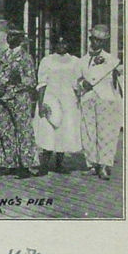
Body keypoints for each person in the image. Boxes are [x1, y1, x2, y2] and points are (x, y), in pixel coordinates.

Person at [0, 26, 40, 179]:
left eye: (15, 36)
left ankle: (27, 165)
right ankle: (7, 163)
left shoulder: (25, 57)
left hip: (19, 98)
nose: (11, 38)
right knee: (4, 130)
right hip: (2, 98)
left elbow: (31, 81)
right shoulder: (1, 56)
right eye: (9, 35)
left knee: (23, 131)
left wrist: (19, 81)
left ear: (21, 39)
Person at [76, 24, 123, 180]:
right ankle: (92, 164)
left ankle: (104, 165)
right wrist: (82, 85)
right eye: (94, 40)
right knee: (88, 132)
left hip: (106, 99)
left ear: (104, 43)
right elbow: (77, 81)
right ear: (90, 40)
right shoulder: (82, 61)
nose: (96, 43)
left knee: (106, 133)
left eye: (100, 41)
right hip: (88, 99)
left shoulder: (112, 60)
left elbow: (120, 81)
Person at [33, 35, 82, 174]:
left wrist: (78, 99)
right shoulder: (47, 61)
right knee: (48, 130)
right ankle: (44, 166)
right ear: (54, 45)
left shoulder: (75, 62)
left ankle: (59, 164)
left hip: (68, 100)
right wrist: (41, 103)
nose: (62, 46)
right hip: (50, 98)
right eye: (59, 43)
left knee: (64, 130)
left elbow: (77, 84)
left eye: (65, 43)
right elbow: (42, 83)